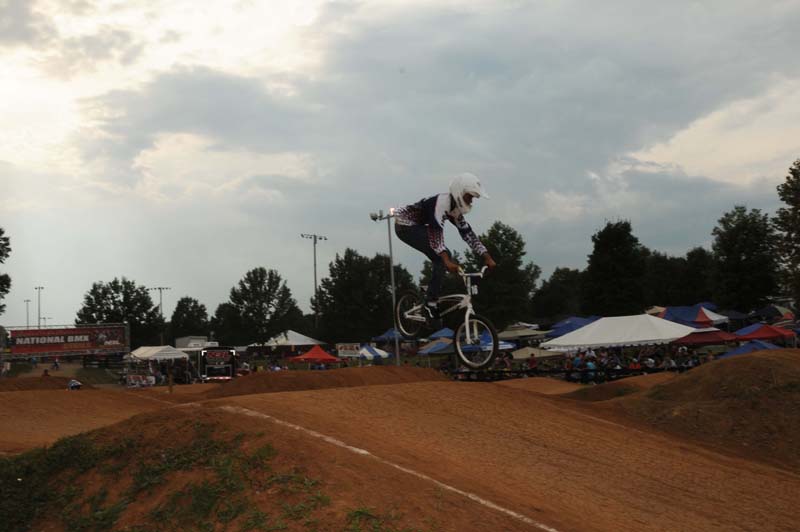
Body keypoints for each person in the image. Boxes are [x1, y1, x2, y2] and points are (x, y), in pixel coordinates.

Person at [394, 173, 496, 323]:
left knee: (443, 257)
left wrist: (487, 256)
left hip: (418, 226)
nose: (471, 201)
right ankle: (430, 302)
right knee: (443, 257)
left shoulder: (455, 209)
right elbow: (436, 235)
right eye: (469, 197)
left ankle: (430, 291)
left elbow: (468, 234)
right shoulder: (441, 204)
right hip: (405, 225)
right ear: (459, 192)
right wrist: (447, 261)